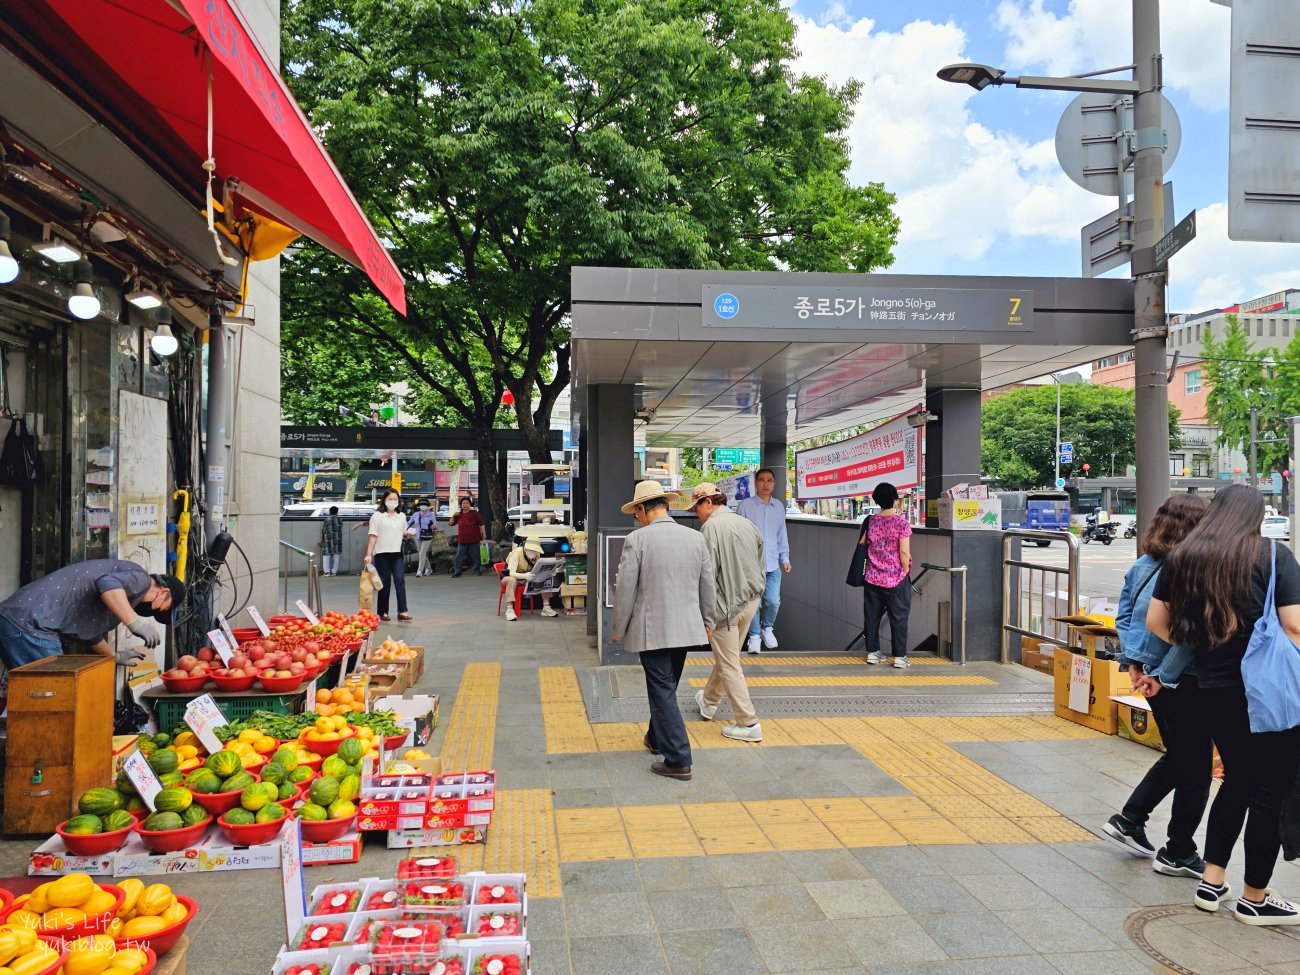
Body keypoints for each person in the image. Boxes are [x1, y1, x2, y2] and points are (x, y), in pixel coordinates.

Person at [1146, 485, 1300, 925]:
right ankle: (1255, 896)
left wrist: (1207, 644)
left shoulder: (1183, 556)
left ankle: (1211, 882)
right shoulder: (1273, 554)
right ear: (1256, 515)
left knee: (1236, 781)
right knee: (1268, 791)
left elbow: (1156, 621)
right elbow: (1294, 626)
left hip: (1213, 687)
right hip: (1268, 692)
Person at [1103, 493, 1211, 878]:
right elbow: (1186, 635)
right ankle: (1178, 849)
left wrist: (1135, 663)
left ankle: (1131, 820)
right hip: (1176, 677)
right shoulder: (1187, 571)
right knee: (1195, 766)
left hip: (1151, 672)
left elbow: (1126, 616)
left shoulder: (1144, 565)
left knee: (1183, 755)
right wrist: (1160, 675)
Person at [612, 480, 716, 780]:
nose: (638, 518)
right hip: (686, 627)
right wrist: (708, 621)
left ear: (644, 509)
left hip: (652, 629)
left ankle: (679, 759)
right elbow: (706, 584)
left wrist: (618, 627)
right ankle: (656, 738)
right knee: (666, 686)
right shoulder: (695, 538)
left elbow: (625, 588)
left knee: (661, 690)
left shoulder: (637, 540)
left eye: (638, 513)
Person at [0, 560, 186, 669]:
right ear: (163, 592)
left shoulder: (123, 598)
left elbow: (89, 633)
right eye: (161, 608)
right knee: (56, 694)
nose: (151, 612)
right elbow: (107, 583)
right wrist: (135, 623)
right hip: (31, 625)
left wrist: (114, 657)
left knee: (30, 695)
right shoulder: (141, 580)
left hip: (15, 619)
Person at [688, 482, 765, 742]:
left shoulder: (710, 528)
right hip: (750, 601)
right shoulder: (746, 523)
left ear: (708, 502)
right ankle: (709, 702)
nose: (695, 513)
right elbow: (760, 561)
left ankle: (748, 722)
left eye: (696, 507)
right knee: (728, 657)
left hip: (725, 608)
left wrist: (705, 615)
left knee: (729, 663)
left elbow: (706, 576)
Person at [737, 468, 790, 653]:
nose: (765, 484)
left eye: (769, 480)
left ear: (774, 484)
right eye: (761, 480)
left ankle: (767, 627)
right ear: (755, 483)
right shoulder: (745, 506)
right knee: (754, 603)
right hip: (752, 564)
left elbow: (781, 534)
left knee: (773, 601)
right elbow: (739, 535)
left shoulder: (779, 507)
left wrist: (785, 558)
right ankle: (754, 636)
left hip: (773, 563)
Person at [862, 482, 913, 668]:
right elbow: (904, 552)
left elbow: (863, 545)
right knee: (899, 617)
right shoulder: (901, 522)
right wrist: (905, 570)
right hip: (895, 578)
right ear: (895, 500)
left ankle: (873, 653)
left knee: (872, 616)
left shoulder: (870, 521)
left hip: (872, 577)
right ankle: (899, 657)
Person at [363, 488, 415, 622]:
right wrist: (369, 554)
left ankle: (402, 611)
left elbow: (402, 531)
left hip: (397, 553)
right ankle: (383, 612)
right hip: (381, 553)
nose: (393, 502)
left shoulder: (401, 516)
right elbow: (373, 535)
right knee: (385, 582)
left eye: (395, 499)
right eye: (390, 499)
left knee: (400, 580)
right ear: (384, 501)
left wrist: (408, 533)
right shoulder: (377, 516)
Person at [502, 539, 557, 621]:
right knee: (511, 580)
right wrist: (524, 576)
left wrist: (549, 571)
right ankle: (509, 610)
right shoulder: (516, 553)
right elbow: (511, 573)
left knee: (545, 578)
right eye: (532, 550)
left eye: (536, 551)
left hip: (528, 577)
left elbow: (538, 568)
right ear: (526, 548)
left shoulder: (536, 554)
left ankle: (546, 607)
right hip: (510, 577)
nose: (534, 553)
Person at [449, 497, 486, 578]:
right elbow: (450, 524)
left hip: (474, 538)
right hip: (462, 539)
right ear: (461, 505)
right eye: (463, 503)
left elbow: (482, 524)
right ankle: (457, 571)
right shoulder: (459, 515)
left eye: (467, 503)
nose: (465, 505)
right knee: (459, 555)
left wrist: (484, 535)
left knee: (476, 556)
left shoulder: (474, 513)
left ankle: (477, 570)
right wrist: (453, 516)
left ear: (470, 505)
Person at [407, 499, 439, 577]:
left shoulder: (431, 515)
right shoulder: (416, 514)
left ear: (427, 506)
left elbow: (436, 526)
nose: (423, 506)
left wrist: (433, 526)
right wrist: (404, 530)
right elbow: (409, 523)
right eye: (421, 505)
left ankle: (420, 570)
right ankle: (428, 568)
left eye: (424, 505)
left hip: (428, 536)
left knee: (422, 552)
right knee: (421, 553)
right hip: (417, 535)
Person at [320, 506, 343, 576]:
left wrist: (322, 537)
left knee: (326, 555)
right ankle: (334, 572)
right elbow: (341, 527)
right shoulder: (340, 520)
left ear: (330, 512)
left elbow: (323, 530)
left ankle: (327, 572)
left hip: (328, 539)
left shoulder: (327, 519)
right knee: (336, 555)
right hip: (337, 539)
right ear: (337, 512)